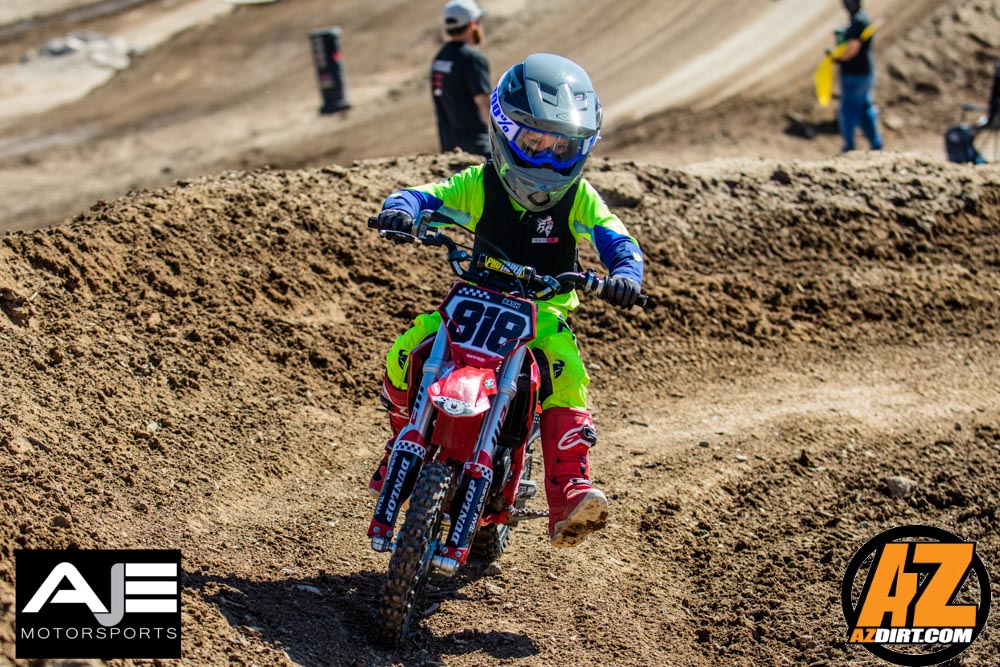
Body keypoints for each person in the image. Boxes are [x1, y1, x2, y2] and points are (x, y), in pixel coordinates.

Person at [370, 53, 644, 548]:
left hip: (543, 314)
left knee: (566, 372)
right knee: (407, 349)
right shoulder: (480, 184)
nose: (546, 158)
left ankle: (569, 489)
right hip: (474, 302)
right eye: (534, 141)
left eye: (562, 147)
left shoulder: (579, 197)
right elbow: (426, 195)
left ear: (582, 148)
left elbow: (616, 238)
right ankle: (400, 444)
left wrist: (625, 273)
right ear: (503, 130)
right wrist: (401, 209)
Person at [430, 0, 492, 157]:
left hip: (450, 149)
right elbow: (486, 106)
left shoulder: (440, 58)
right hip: (477, 148)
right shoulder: (472, 58)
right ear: (472, 24)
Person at [833, 0, 883, 151]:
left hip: (855, 73)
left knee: (848, 110)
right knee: (864, 109)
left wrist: (837, 57)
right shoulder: (859, 20)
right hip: (862, 72)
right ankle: (876, 145)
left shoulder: (859, 21)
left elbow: (853, 47)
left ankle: (849, 146)